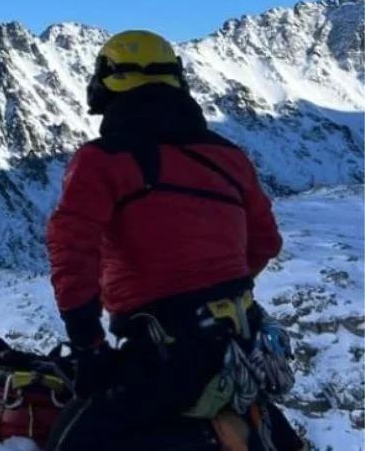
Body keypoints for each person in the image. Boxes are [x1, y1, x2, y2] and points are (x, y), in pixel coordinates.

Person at [43, 31, 300, 450]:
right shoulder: (229, 157)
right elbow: (265, 242)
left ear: (106, 84)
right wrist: (217, 282)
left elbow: (72, 248)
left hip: (165, 351)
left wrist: (87, 343)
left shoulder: (101, 160)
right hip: (242, 343)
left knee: (71, 440)